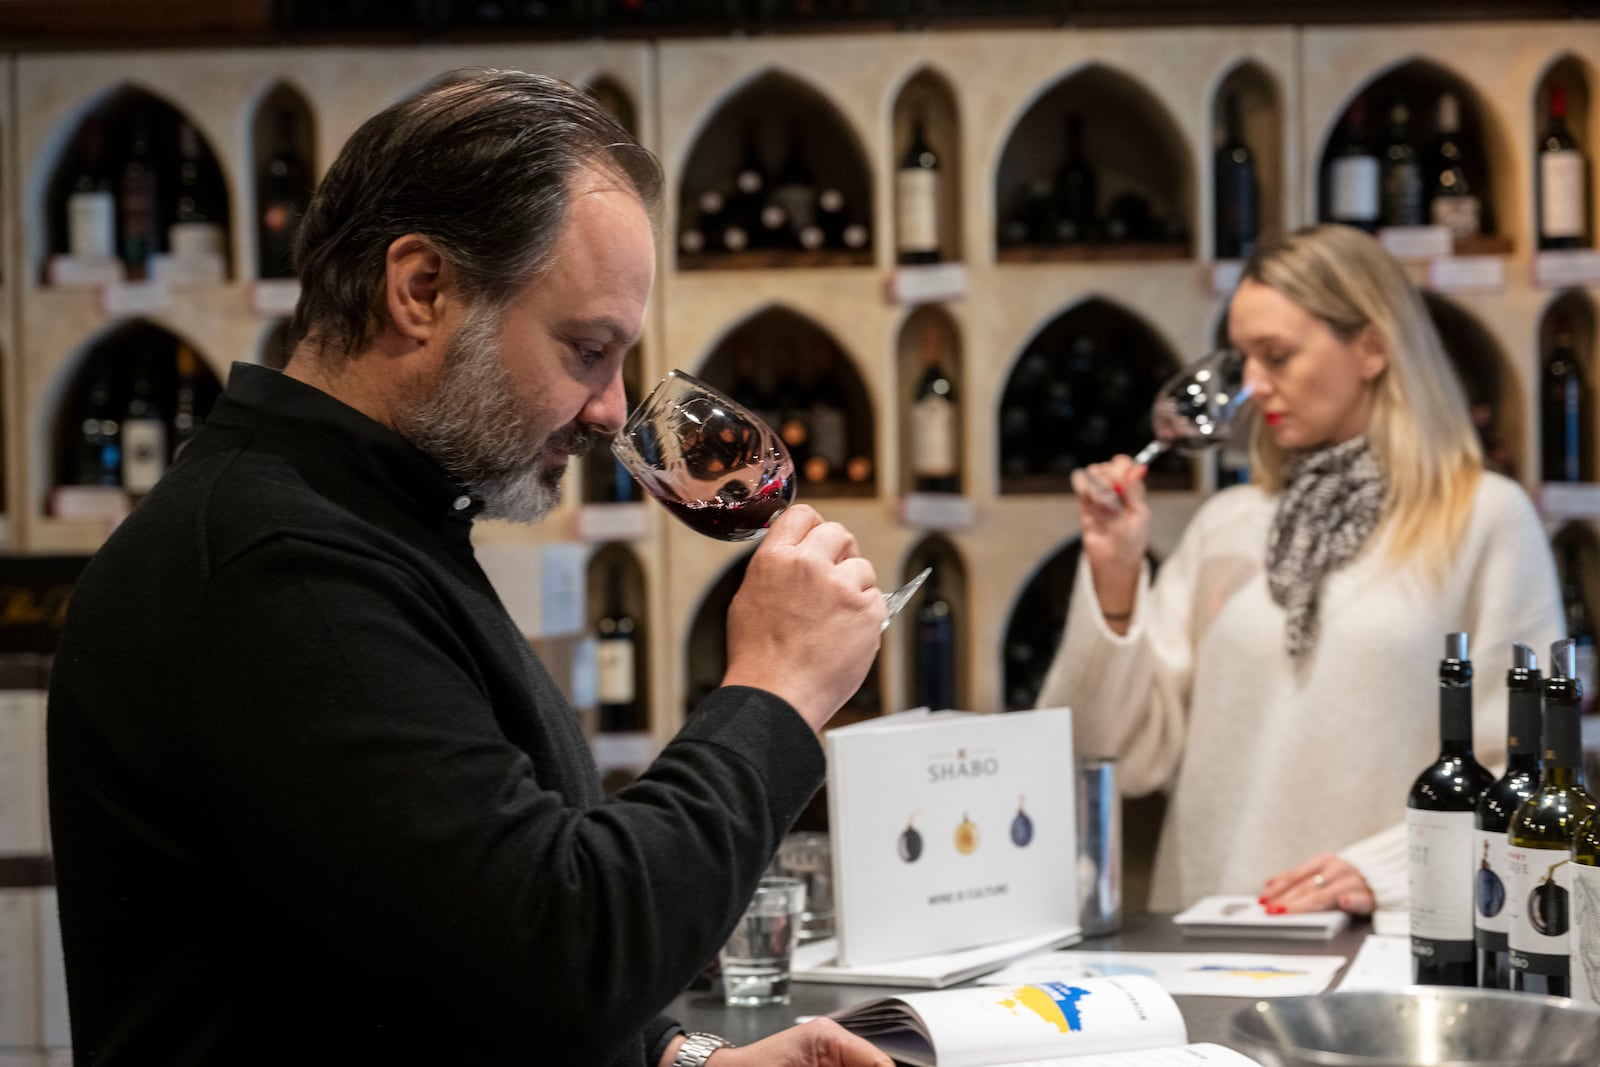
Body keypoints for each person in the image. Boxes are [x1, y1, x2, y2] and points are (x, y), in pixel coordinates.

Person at [46, 68, 894, 1067]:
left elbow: (449, 939)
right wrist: (777, 690)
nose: (613, 410)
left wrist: (680, 1060)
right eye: (587, 347)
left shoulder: (367, 528)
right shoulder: (276, 569)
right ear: (421, 290)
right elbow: (563, 953)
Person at [1036, 223, 1565, 917]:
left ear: (1373, 346)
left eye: (1276, 356)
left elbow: (1529, 770)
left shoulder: (1483, 519)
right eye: (1242, 360)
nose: (1251, 387)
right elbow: (1111, 754)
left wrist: (1384, 870)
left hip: (1392, 944)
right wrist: (1113, 579)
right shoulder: (1228, 523)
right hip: (1211, 942)